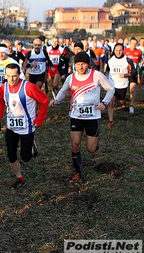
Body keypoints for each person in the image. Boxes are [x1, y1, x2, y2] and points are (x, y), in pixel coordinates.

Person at [49, 52, 114, 182]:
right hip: (76, 116)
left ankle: (95, 143)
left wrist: (104, 103)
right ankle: (78, 172)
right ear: (74, 65)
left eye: (83, 64)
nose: (81, 67)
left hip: (92, 117)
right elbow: (63, 90)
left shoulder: (96, 75)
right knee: (76, 144)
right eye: (78, 64)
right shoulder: (71, 77)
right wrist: (56, 100)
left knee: (91, 149)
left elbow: (111, 89)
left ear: (88, 64)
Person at [0, 63, 48, 188]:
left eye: (14, 76)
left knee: (26, 158)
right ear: (5, 75)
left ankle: (32, 145)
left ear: (19, 74)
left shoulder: (29, 87)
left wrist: (39, 119)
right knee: (11, 155)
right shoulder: (3, 87)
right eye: (9, 76)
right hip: (11, 127)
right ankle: (20, 178)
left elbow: (44, 100)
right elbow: (0, 103)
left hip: (27, 127)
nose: (11, 80)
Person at [0, 44, 26, 143]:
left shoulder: (12, 62)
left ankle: (16, 130)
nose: (1, 54)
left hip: (10, 91)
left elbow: (22, 76)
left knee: (13, 111)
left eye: (3, 52)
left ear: (7, 52)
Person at [106, 43, 137, 127]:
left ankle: (122, 101)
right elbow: (107, 70)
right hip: (112, 84)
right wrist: (106, 80)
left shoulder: (127, 60)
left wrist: (125, 75)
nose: (118, 52)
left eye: (120, 50)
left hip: (122, 85)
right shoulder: (110, 60)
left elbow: (134, 72)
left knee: (120, 103)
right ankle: (111, 121)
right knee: (111, 102)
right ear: (114, 50)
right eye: (116, 50)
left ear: (123, 50)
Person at [123, 37, 143, 114]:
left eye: (135, 44)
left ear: (137, 44)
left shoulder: (139, 51)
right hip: (125, 73)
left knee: (133, 89)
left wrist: (141, 63)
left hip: (134, 73)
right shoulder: (125, 51)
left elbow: (140, 59)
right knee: (125, 89)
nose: (133, 45)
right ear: (129, 44)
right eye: (132, 43)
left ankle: (131, 105)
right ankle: (123, 100)